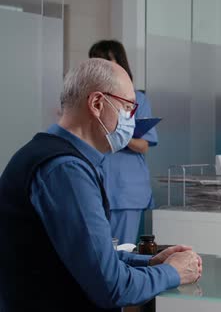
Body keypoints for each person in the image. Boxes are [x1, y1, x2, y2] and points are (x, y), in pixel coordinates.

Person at [0, 59, 202, 311]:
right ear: (97, 103)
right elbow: (113, 287)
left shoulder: (52, 156)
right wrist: (172, 272)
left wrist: (149, 263)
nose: (131, 119)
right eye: (128, 108)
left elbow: (88, 258)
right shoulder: (66, 170)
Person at [89, 40, 158, 244]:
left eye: (106, 61)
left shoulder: (137, 100)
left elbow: (144, 145)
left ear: (119, 63)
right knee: (96, 251)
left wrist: (119, 132)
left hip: (125, 190)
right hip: (96, 185)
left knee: (122, 253)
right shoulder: (91, 100)